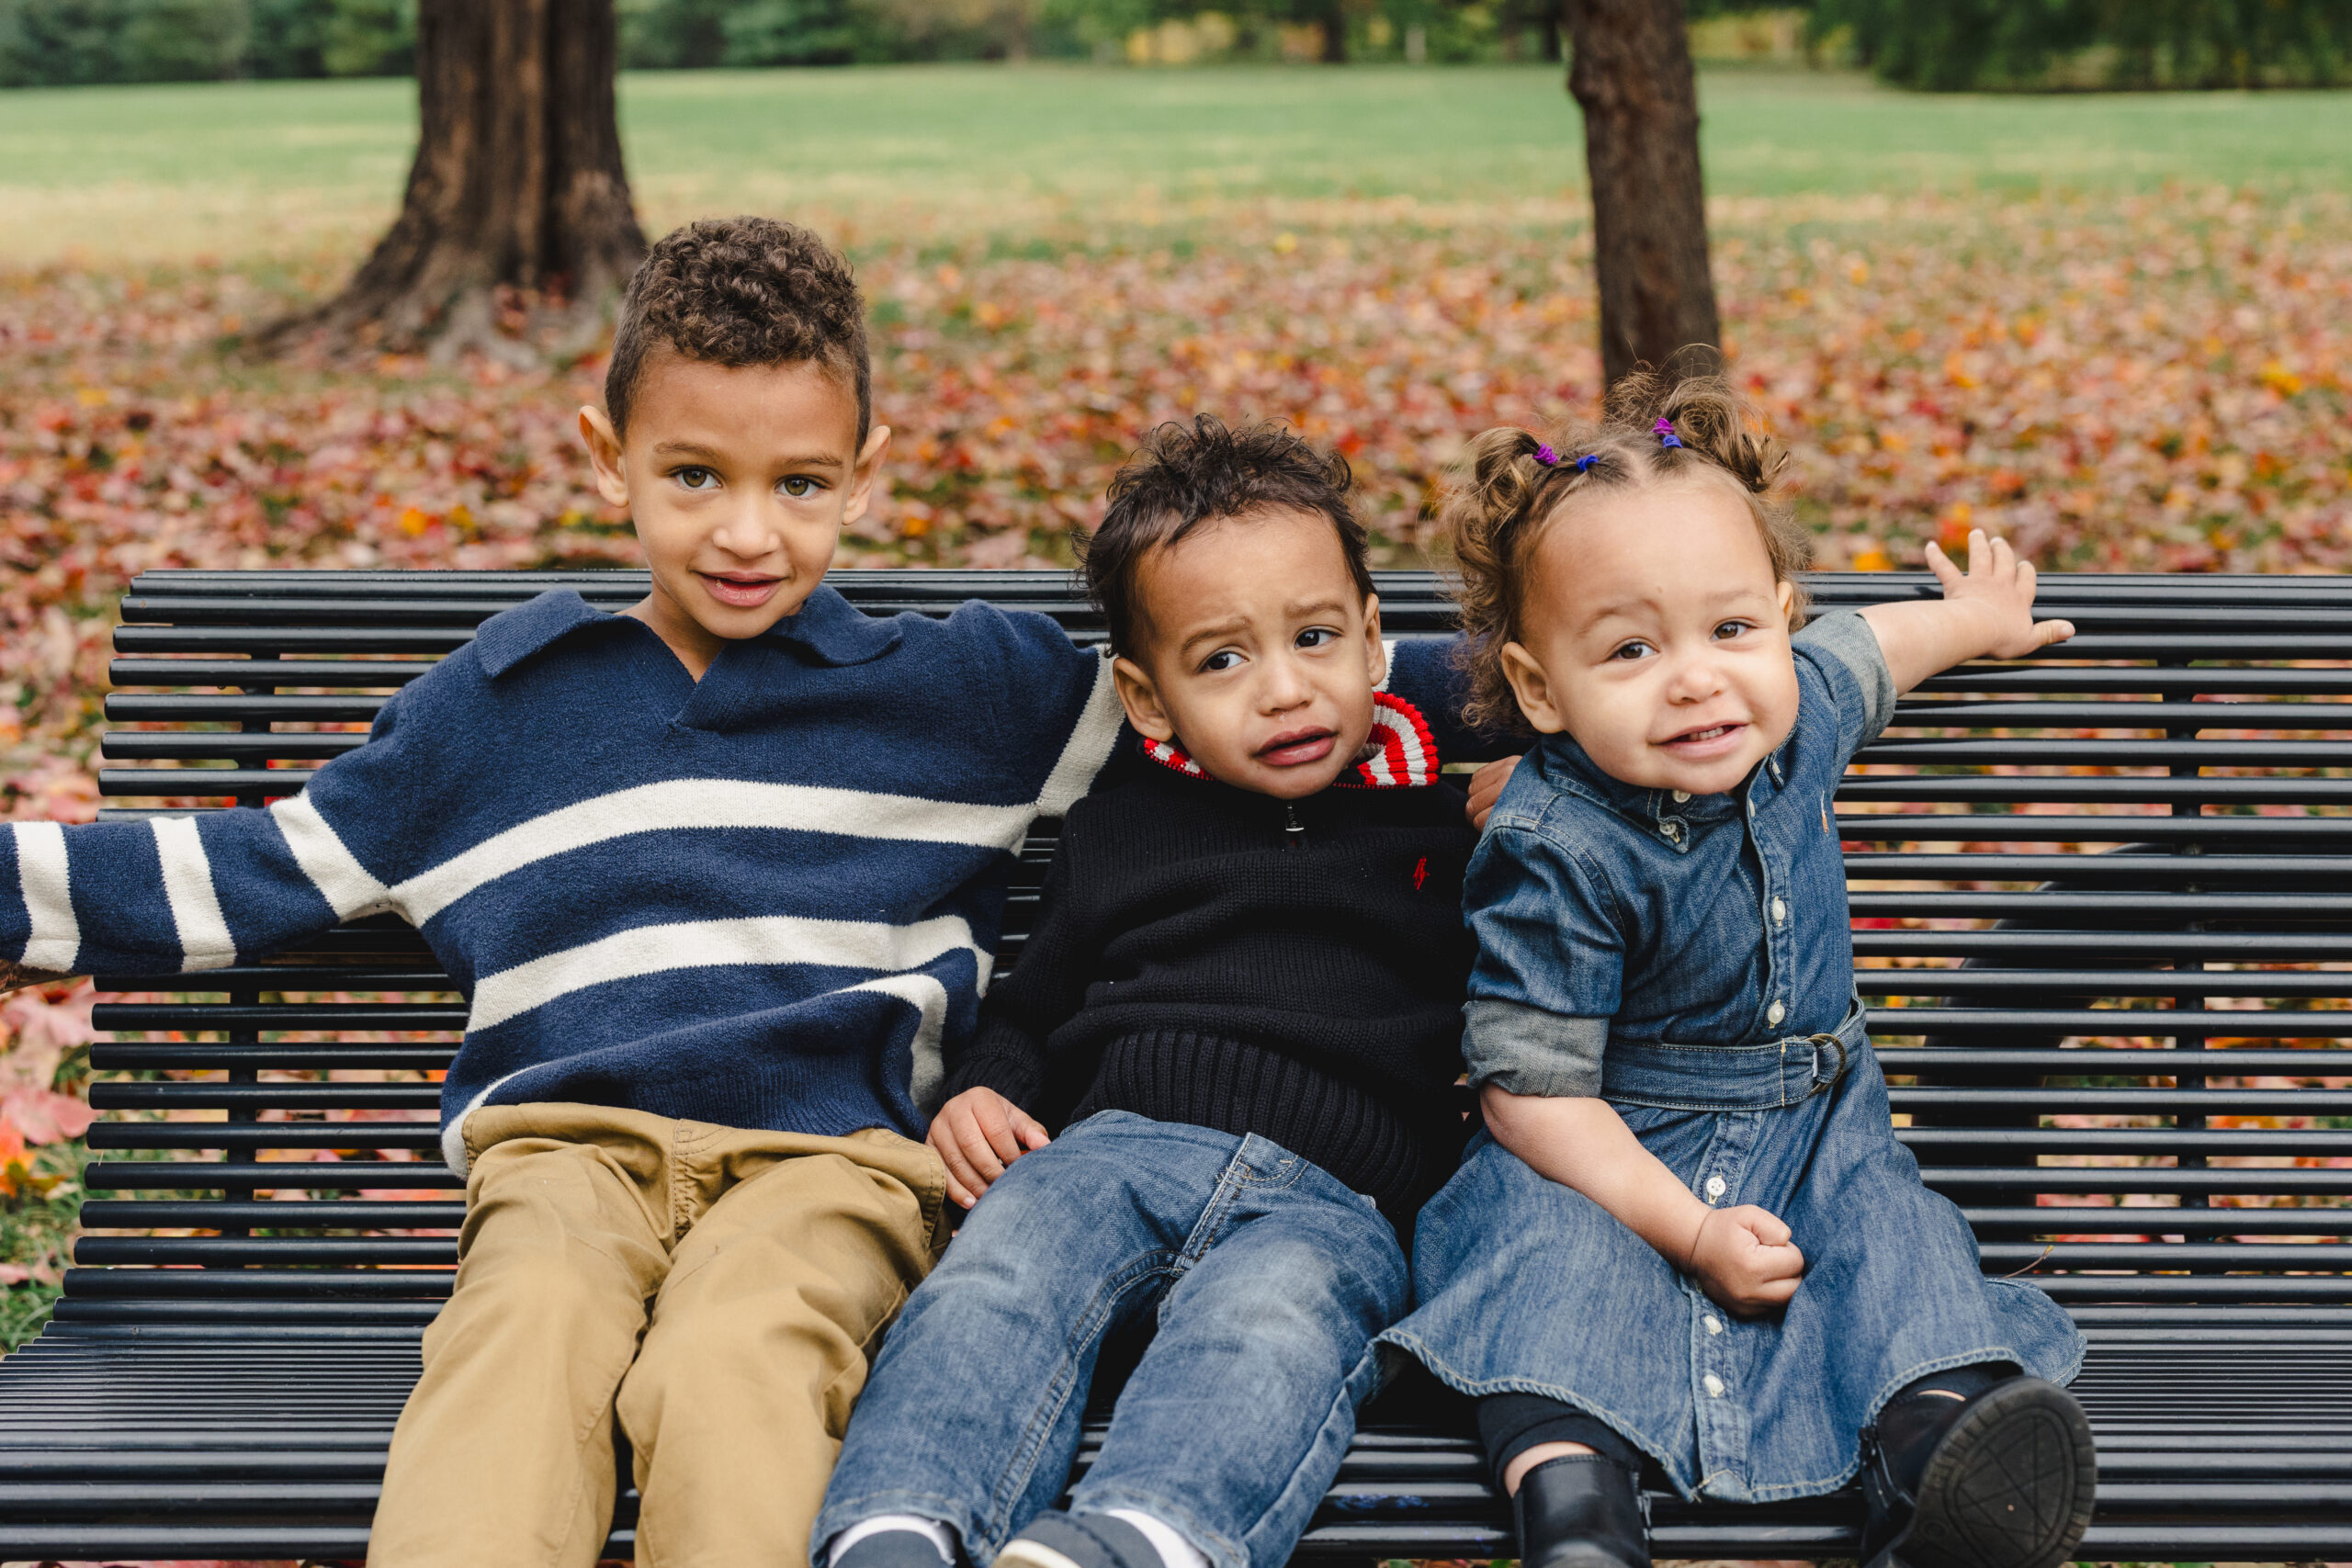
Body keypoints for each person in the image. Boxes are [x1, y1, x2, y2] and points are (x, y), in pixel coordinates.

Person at [0, 216, 1144, 1568]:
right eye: (696, 474)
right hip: (564, 1158)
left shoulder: (969, 694)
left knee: (739, 1355)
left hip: (830, 1162)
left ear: (864, 474)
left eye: (800, 485)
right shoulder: (497, 712)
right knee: (519, 1335)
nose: (745, 531)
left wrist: (1457, 711)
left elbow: (1224, 690)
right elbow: (262, 865)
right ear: (610, 457)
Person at [1376, 373, 2096, 1568]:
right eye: (1630, 647)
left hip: (1821, 1135)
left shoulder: (1795, 703)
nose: (1698, 675)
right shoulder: (1555, 842)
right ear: (1543, 688)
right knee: (1556, 1277)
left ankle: (1939, 1471)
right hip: (1608, 1147)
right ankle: (1577, 1514)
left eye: (1731, 628)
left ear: (1780, 615)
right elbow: (1532, 1092)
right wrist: (1694, 1230)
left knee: (1897, 1253)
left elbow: (1872, 646)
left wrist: (1975, 620)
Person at [809, 417, 1487, 1568]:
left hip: (1336, 1201)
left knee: (1269, 1328)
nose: (1282, 691)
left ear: (1374, 642)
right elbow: (1035, 1003)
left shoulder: (1450, 820)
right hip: (1114, 1150)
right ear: (1148, 695)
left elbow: (1609, 681)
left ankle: (1135, 1539)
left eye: (1314, 637)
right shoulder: (1127, 821)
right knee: (1001, 1274)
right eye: (1221, 659)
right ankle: (899, 1526)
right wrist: (982, 1089)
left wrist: (1556, 795)